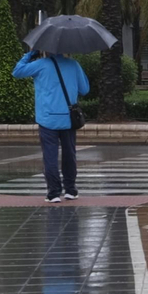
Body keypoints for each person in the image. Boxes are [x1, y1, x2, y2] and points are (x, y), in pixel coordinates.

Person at [14, 50, 90, 203]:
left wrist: (29, 54)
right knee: (70, 154)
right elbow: (85, 89)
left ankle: (54, 193)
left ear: (45, 50)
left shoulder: (40, 65)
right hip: (68, 119)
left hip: (47, 119)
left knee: (50, 156)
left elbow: (17, 72)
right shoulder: (74, 65)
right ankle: (70, 190)